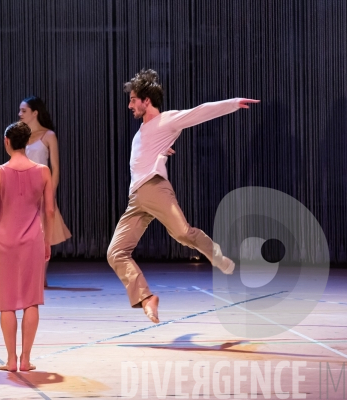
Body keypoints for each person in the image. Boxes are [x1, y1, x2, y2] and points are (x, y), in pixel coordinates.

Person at [107, 69, 259, 324]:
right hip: (137, 199)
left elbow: (200, 112)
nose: (130, 104)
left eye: (134, 99)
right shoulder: (142, 133)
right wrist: (162, 153)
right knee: (116, 252)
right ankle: (146, 299)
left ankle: (216, 255)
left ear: (146, 100)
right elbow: (149, 153)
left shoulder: (167, 120)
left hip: (154, 189)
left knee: (182, 234)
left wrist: (232, 104)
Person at [0, 121, 54, 372]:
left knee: (7, 302)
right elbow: (50, 210)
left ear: (7, 142)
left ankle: (11, 360)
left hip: (4, 243)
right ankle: (26, 359)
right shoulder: (43, 171)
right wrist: (47, 241)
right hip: (33, 241)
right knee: (31, 301)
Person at [18, 96, 71, 286]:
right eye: (20, 111)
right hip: (22, 192)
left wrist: (50, 193)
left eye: (23, 110)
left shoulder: (48, 135)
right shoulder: (21, 135)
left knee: (42, 236)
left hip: (41, 191)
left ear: (35, 112)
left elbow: (55, 168)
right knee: (24, 237)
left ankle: (40, 276)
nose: (20, 114)